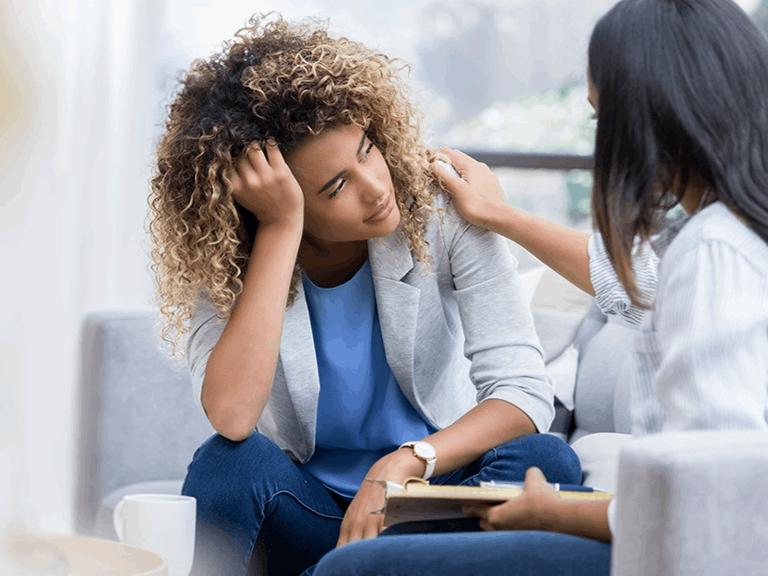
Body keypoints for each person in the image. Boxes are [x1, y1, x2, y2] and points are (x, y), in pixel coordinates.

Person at [312, 0, 768, 574]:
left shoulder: (714, 251)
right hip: (658, 532)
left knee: (349, 570)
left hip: (679, 553)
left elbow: (714, 501)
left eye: (604, 120)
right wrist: (500, 216)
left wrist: (553, 513)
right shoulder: (725, 240)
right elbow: (634, 281)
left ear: (653, 117)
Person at [148, 14, 581, 576]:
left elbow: (522, 392)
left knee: (547, 460)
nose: (377, 188)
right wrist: (281, 232)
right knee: (226, 464)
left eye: (368, 150)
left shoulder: (442, 212)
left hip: (427, 503)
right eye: (336, 186)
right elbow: (231, 417)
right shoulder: (233, 254)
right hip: (309, 510)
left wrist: (404, 463)